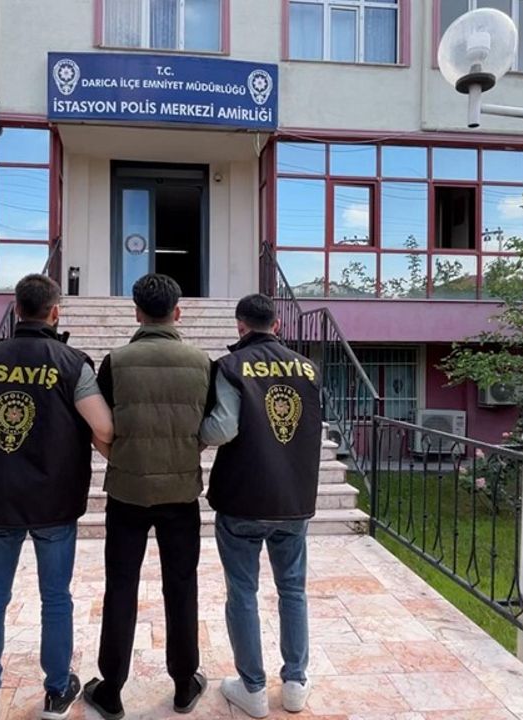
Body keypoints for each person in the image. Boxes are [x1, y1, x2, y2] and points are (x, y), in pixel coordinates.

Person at [0, 274, 114, 720]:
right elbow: (104, 427)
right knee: (55, 597)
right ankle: (56, 691)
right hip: (54, 499)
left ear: (16, 309)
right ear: (55, 312)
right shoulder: (71, 363)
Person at [83, 274, 212, 719]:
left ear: (136, 312)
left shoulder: (115, 362)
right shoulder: (202, 362)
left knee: (121, 585)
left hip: (127, 491)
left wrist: (117, 456)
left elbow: (100, 425)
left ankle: (112, 689)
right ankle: (184, 685)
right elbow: (210, 425)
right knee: (182, 584)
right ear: (178, 312)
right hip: (181, 492)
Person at [199, 293, 323, 718]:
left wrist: (193, 434)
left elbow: (222, 429)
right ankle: (295, 684)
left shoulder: (231, 366)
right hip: (293, 499)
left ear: (240, 326)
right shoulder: (308, 368)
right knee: (293, 590)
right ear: (277, 325)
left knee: (243, 592)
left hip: (243, 498)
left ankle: (252, 688)